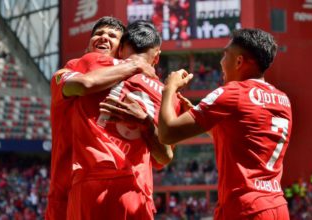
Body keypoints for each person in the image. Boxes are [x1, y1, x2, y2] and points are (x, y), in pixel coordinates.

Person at [158, 28, 293, 219]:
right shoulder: (283, 99)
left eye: (225, 55)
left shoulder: (232, 92)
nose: (221, 63)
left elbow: (166, 134)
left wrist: (169, 88)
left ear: (239, 61)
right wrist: (200, 117)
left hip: (244, 207)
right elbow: (241, 140)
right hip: (277, 206)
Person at [65, 20, 180, 219]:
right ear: (157, 57)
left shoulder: (92, 62)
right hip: (135, 190)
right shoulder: (169, 96)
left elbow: (80, 85)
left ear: (120, 49)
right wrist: (146, 123)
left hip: (90, 184)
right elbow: (164, 157)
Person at [46, 17, 156, 220]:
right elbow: (82, 85)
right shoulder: (68, 72)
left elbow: (162, 156)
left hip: (128, 191)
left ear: (121, 50)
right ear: (87, 47)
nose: (104, 37)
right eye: (98, 34)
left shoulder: (141, 87)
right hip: (68, 193)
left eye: (112, 36)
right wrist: (134, 65)